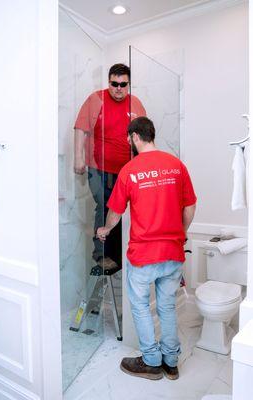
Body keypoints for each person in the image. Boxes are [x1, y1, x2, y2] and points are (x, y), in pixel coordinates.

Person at [97, 117, 196, 380]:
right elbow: (190, 206)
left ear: (135, 137)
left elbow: (115, 211)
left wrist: (105, 230)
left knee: (140, 307)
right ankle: (171, 362)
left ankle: (151, 361)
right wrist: (181, 233)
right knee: (166, 306)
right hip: (172, 252)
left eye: (129, 138)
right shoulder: (177, 166)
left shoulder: (130, 170)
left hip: (144, 255)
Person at [74, 63, 146, 270]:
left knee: (125, 211)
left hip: (127, 170)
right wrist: (78, 157)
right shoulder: (96, 99)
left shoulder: (136, 104)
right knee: (105, 207)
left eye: (123, 84)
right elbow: (81, 127)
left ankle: (121, 255)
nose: (118, 88)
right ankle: (102, 256)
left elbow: (144, 136)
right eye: (114, 84)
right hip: (99, 167)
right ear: (109, 82)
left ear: (129, 84)